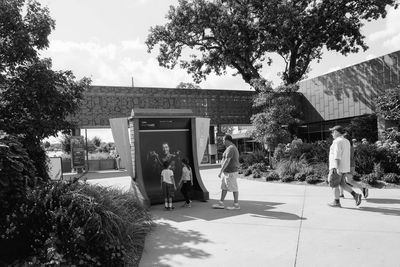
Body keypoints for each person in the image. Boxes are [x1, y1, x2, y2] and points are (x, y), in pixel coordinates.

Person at [328, 125, 362, 208]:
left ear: (336, 132)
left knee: (334, 184)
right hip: (344, 167)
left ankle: (336, 202)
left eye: (332, 132)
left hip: (336, 167)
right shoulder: (346, 141)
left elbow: (337, 155)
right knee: (342, 184)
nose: (332, 134)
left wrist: (337, 168)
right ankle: (356, 195)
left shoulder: (337, 141)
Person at [212, 134, 241, 210]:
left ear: (227, 140)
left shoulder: (231, 148)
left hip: (231, 172)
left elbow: (227, 160)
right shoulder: (230, 148)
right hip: (227, 172)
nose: (223, 142)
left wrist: (220, 171)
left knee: (234, 188)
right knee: (224, 187)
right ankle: (221, 203)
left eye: (223, 140)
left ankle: (236, 205)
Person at [339, 134, 369, 199]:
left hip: (347, 165)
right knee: (346, 180)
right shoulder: (350, 146)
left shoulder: (347, 147)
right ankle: (341, 194)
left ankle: (363, 188)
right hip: (351, 165)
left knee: (344, 180)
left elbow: (346, 157)